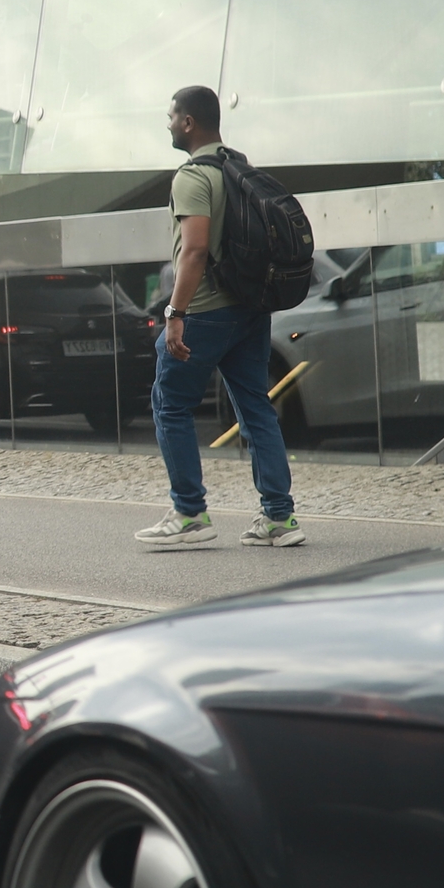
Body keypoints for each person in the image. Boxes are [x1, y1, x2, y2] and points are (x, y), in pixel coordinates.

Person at [136, 84, 302, 549]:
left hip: (206, 311)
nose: (168, 123)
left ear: (188, 122)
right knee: (255, 408)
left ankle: (189, 514)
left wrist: (175, 313)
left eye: (171, 116)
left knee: (170, 405)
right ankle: (279, 519)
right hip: (249, 308)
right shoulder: (238, 166)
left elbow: (194, 251)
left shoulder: (192, 177)